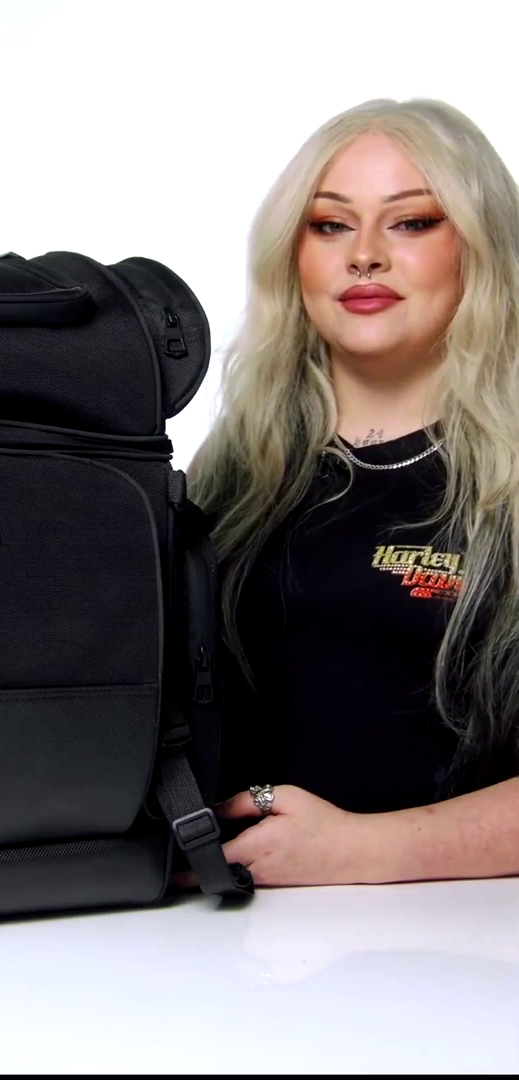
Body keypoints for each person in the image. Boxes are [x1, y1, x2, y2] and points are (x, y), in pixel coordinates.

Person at [171, 97, 519, 890]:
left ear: (481, 247)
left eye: (412, 222)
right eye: (330, 225)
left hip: (461, 939)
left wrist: (369, 849)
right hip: (221, 939)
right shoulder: (232, 474)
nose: (364, 256)